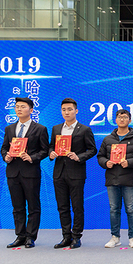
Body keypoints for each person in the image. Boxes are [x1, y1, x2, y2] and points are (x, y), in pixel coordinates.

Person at [48, 98, 97, 249]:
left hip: (76, 173)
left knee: (77, 206)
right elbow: (51, 146)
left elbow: (92, 150)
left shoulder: (84, 129)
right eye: (64, 110)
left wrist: (79, 157)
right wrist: (51, 153)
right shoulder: (56, 128)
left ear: (76, 111)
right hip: (59, 173)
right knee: (62, 206)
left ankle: (76, 236)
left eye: (69, 109)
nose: (66, 112)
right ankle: (66, 236)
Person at [97, 109, 133, 248]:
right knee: (114, 209)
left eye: (125, 117)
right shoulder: (108, 139)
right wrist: (106, 162)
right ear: (115, 120)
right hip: (112, 179)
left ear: (130, 120)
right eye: (120, 117)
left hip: (130, 179)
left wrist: (129, 162)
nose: (122, 119)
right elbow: (100, 156)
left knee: (131, 209)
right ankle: (115, 237)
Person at [1, 97, 49, 248]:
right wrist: (6, 156)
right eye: (17, 106)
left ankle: (30, 236)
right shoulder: (9, 129)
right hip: (13, 172)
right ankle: (20, 235)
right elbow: (4, 148)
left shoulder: (40, 129)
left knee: (33, 206)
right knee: (17, 206)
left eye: (23, 106)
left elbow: (45, 150)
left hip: (30, 172)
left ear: (31, 110)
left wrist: (32, 157)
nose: (19, 109)